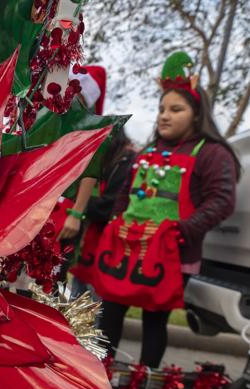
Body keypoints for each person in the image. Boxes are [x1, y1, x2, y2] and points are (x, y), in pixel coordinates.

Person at [94, 52, 240, 367]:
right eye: (161, 109)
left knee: (155, 319)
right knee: (111, 309)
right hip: (128, 249)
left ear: (197, 114)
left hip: (173, 257)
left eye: (176, 109)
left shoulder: (212, 154)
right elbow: (125, 195)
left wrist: (180, 231)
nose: (164, 115)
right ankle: (101, 374)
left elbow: (221, 201)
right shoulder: (147, 153)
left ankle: (142, 383)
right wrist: (116, 222)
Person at [69, 128, 136, 299]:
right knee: (80, 289)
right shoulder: (115, 160)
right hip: (91, 238)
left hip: (107, 240)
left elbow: (109, 205)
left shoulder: (126, 162)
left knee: (92, 297)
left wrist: (77, 205)